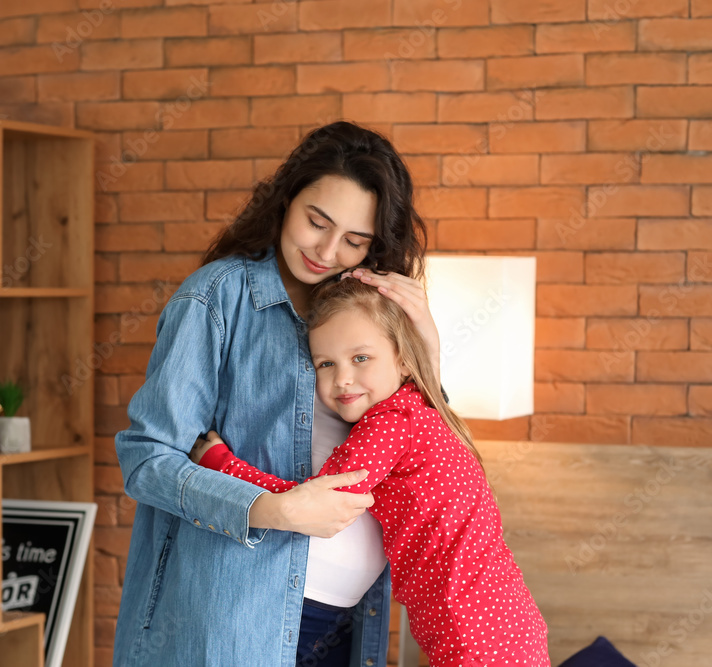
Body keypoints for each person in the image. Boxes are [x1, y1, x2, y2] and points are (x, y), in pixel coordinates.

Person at [114, 121, 438, 666]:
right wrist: (272, 510)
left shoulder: (374, 313)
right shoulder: (217, 299)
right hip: (235, 624)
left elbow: (423, 451)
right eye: (317, 222)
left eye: (354, 241)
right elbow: (146, 460)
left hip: (351, 626)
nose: (328, 250)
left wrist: (427, 345)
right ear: (286, 200)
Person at [192, 278, 550, 667]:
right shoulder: (422, 409)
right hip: (507, 616)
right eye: (326, 364)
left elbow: (315, 501)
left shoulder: (391, 423)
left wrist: (223, 465)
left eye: (361, 358)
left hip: (472, 628)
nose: (342, 378)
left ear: (403, 359)